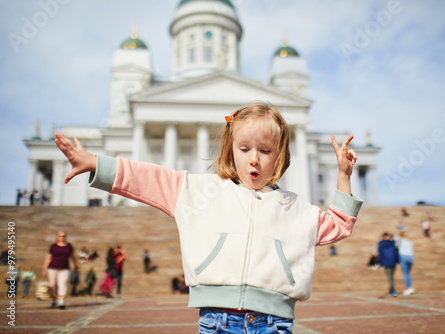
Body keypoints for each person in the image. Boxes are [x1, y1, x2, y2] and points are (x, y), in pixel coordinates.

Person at [54, 101, 363, 331]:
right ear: (231, 150)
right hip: (217, 320)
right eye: (244, 148)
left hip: (274, 323)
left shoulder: (296, 208)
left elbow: (338, 224)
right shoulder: (198, 192)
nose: (254, 159)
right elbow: (147, 178)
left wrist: (344, 175)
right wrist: (95, 163)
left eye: (265, 151)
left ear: (280, 156)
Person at [42, 230, 78, 309]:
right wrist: (44, 269)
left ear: (66, 237)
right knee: (52, 285)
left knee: (63, 284)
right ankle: (54, 300)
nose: (62, 237)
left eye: (64, 236)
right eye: (60, 236)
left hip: (64, 268)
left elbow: (73, 257)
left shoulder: (69, 246)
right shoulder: (53, 246)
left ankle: (61, 302)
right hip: (52, 268)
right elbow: (48, 258)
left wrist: (76, 266)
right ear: (57, 237)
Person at [378, 232, 399, 296]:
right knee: (391, 276)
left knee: (390, 277)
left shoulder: (381, 244)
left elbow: (380, 254)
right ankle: (392, 289)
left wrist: (381, 262)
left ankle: (392, 290)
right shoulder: (392, 243)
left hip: (389, 262)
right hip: (391, 261)